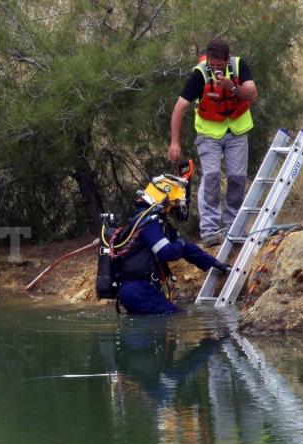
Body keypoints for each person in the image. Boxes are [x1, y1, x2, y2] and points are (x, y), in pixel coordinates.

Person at [168, 39, 258, 248]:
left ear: (227, 59)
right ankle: (209, 230)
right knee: (211, 176)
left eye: (220, 65)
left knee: (237, 177)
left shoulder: (238, 66)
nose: (216, 69)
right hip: (209, 133)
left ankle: (233, 227)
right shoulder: (199, 74)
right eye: (212, 64)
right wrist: (175, 142)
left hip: (237, 131)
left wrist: (231, 87)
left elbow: (252, 93)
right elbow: (179, 108)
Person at [107, 174, 228, 314]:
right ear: (165, 199)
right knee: (180, 317)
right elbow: (166, 253)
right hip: (139, 290)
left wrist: (214, 263)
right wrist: (180, 242)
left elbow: (185, 248)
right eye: (176, 203)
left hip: (138, 290)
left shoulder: (153, 220)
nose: (177, 208)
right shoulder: (148, 222)